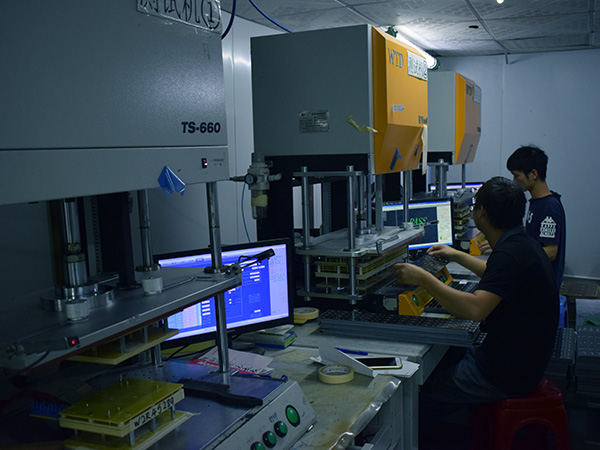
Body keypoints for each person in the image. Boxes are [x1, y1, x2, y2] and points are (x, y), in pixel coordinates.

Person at [394, 176, 558, 446]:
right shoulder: (523, 244)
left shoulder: (509, 254)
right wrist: (456, 255)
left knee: (424, 394)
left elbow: (474, 309)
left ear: (481, 213)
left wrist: (423, 278)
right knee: (448, 359)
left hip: (505, 374)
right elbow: (496, 274)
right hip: (522, 363)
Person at [507, 145, 566, 289]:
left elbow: (551, 252)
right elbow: (534, 235)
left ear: (533, 174)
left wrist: (515, 255)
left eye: (516, 175)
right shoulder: (537, 202)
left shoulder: (549, 206)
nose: (514, 181)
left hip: (543, 289)